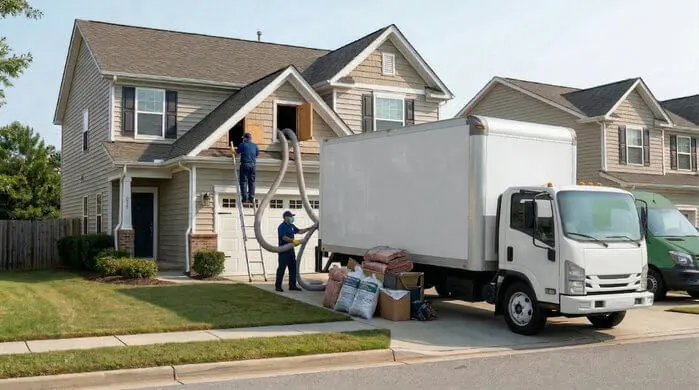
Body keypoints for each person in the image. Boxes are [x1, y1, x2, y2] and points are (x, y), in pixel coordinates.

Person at [276, 210, 312, 292]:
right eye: (291, 216)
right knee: (281, 268)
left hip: (291, 250)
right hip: (283, 250)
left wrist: (310, 228)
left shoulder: (291, 225)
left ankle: (292, 285)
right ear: (286, 217)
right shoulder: (282, 227)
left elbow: (300, 231)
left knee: (293, 268)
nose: (292, 218)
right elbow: (284, 237)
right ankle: (278, 286)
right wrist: (293, 241)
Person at [233, 133, 259, 204]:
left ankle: (245, 199)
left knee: (244, 181)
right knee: (252, 181)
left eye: (243, 138)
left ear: (246, 138)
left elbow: (237, 152)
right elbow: (257, 154)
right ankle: (251, 197)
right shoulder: (255, 146)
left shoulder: (242, 145)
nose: (243, 139)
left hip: (245, 164)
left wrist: (232, 150)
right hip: (253, 165)